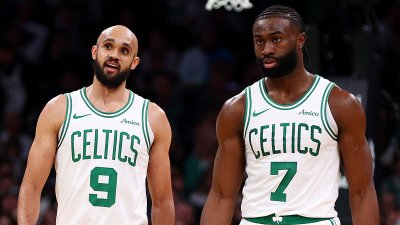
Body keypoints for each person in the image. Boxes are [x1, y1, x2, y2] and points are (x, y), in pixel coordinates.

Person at [200, 5, 379, 225]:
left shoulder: (340, 104)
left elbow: (362, 192)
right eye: (259, 41)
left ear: (300, 40)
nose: (266, 49)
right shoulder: (237, 108)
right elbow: (220, 196)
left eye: (276, 39)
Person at [17, 25, 175, 225]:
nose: (115, 55)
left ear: (134, 62)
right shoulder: (59, 109)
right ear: (95, 51)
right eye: (108, 46)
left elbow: (162, 201)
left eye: (124, 50)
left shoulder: (153, 117)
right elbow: (31, 187)